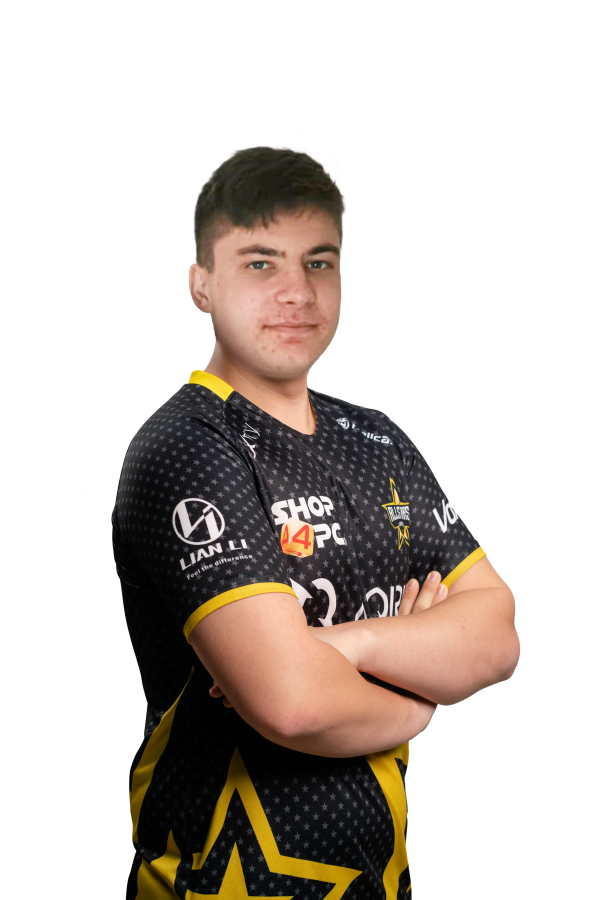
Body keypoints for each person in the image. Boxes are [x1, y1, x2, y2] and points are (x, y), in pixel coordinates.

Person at [112, 143, 520, 899]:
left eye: (318, 262)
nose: (295, 292)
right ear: (201, 283)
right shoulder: (186, 448)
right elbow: (292, 703)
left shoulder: (379, 437)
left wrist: (348, 644)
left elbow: (497, 634)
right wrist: (425, 697)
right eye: (260, 263)